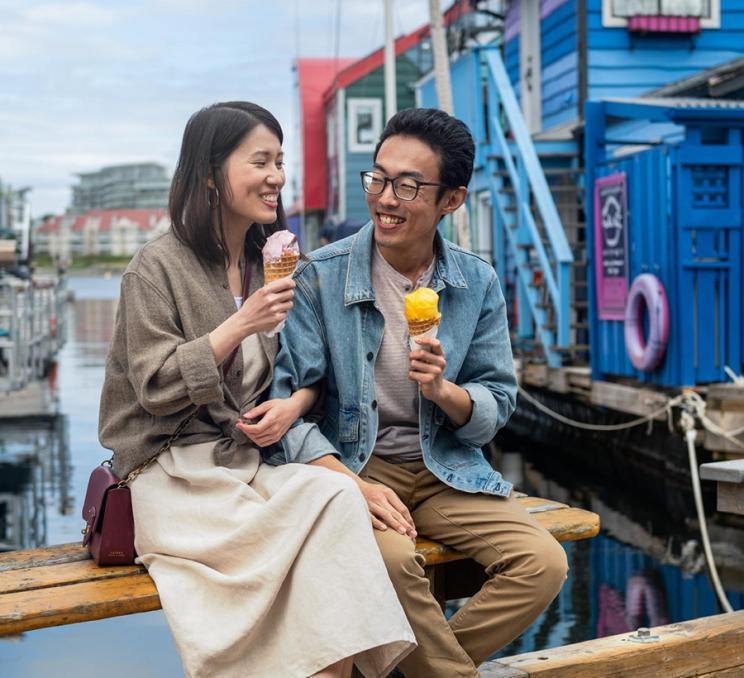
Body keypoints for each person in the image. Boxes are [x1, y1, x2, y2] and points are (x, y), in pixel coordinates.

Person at [98, 101, 415, 678]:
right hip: (170, 475)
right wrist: (239, 325)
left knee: (338, 498)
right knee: (296, 564)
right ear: (211, 175)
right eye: (261, 162)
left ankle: (339, 669)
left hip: (246, 461)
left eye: (281, 161)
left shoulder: (267, 263)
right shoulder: (154, 269)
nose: (277, 176)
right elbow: (153, 387)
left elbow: (304, 377)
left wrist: (288, 406)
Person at [271, 108, 569, 677]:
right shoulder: (321, 275)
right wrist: (352, 483)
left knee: (544, 563)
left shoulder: (475, 281)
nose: (385, 198)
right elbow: (292, 403)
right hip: (358, 467)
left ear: (451, 200)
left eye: (408, 185)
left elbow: (495, 403)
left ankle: (407, 669)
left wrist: (443, 390)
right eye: (378, 179)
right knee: (391, 563)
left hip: (446, 469)